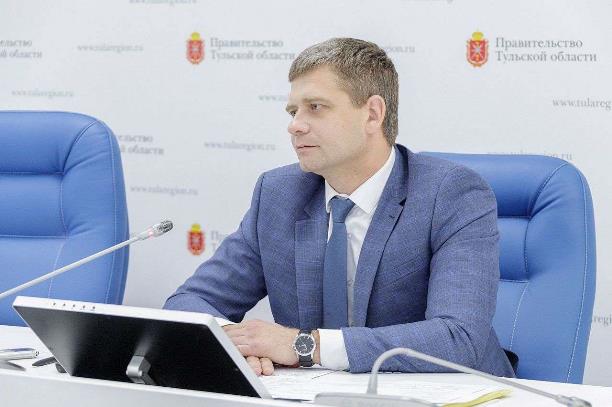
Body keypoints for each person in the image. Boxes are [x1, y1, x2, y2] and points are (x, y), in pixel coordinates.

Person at [164, 37, 515, 378]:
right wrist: (236, 342)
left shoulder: (450, 194)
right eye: (293, 111)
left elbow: (458, 337)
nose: (295, 125)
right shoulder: (278, 194)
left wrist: (304, 346)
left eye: (315, 107)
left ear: (373, 114)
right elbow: (190, 302)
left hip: (449, 394)